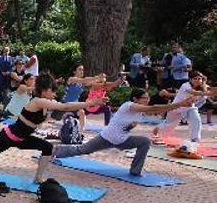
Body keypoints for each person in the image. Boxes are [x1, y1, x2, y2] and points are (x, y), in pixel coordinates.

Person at [0, 74, 107, 183]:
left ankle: (38, 177)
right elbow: (65, 106)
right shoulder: (38, 101)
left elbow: (66, 97)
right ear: (44, 90)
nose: (53, 93)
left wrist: (93, 85)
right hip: (8, 137)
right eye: (51, 90)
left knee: (48, 148)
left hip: (22, 139)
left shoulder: (45, 102)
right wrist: (90, 104)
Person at [54, 88, 195, 176]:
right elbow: (154, 108)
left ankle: (135, 171)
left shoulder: (139, 113)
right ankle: (54, 151)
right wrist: (180, 104)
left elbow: (157, 110)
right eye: (144, 98)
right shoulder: (129, 106)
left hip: (122, 141)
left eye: (147, 98)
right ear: (135, 99)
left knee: (144, 142)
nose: (147, 100)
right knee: (82, 150)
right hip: (107, 138)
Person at [153, 71, 211, 143]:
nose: (197, 80)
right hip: (176, 107)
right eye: (195, 78)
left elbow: (210, 90)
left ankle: (195, 139)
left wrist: (205, 84)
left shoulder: (204, 87)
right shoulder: (185, 85)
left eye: (199, 79)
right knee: (169, 126)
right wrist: (207, 92)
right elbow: (194, 92)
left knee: (196, 119)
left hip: (190, 108)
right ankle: (158, 128)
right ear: (190, 79)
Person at [50, 63, 106, 130]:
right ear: (74, 71)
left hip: (75, 105)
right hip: (64, 104)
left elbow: (94, 82)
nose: (82, 71)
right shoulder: (71, 79)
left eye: (82, 70)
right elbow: (84, 80)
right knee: (51, 119)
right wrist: (97, 77)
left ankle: (80, 132)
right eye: (79, 69)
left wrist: (101, 79)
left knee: (82, 113)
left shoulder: (82, 83)